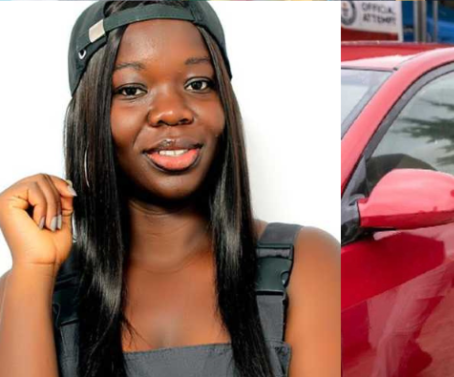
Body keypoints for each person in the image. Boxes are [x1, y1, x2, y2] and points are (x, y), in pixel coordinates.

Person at [0, 1, 340, 377]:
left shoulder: (307, 263)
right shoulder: (32, 288)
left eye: (198, 84)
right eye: (131, 89)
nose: (172, 111)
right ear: (90, 115)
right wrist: (33, 271)